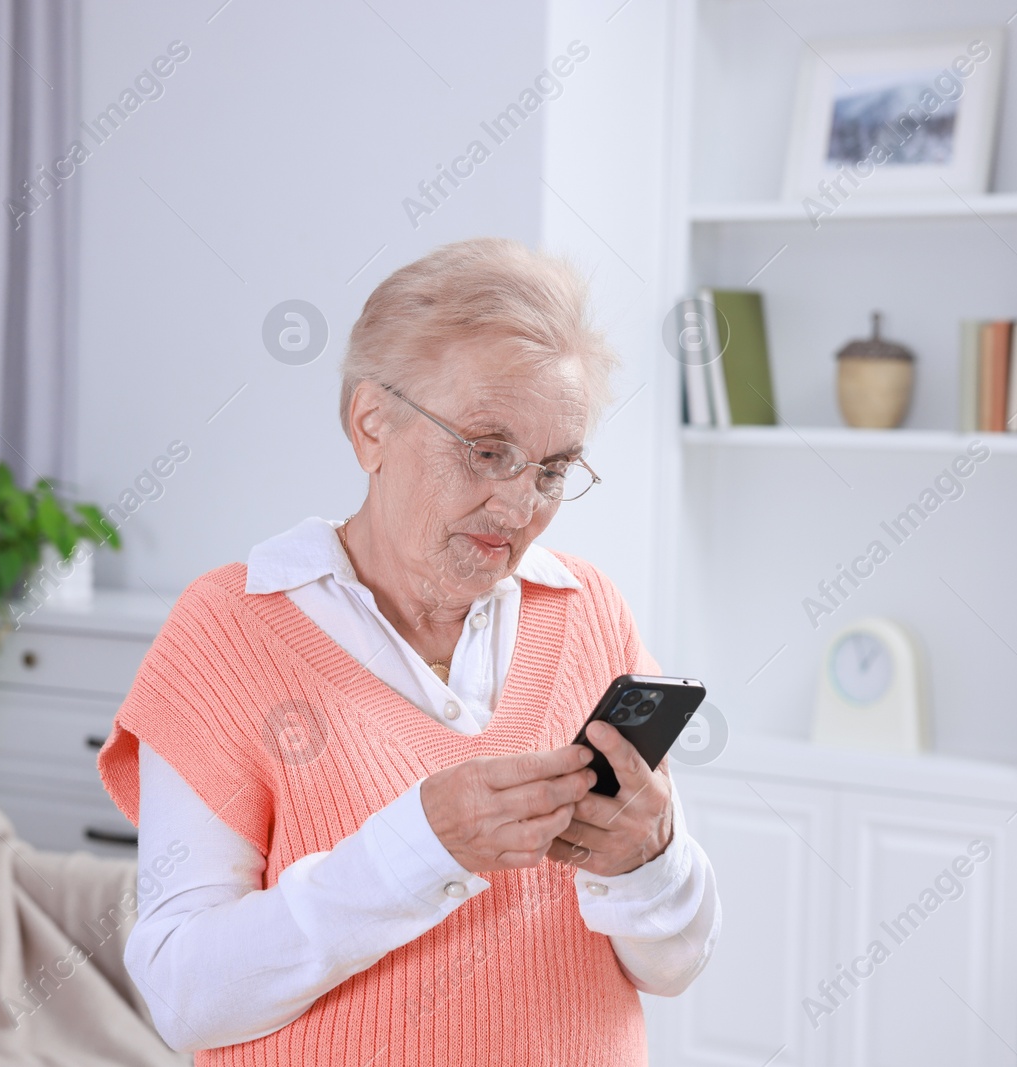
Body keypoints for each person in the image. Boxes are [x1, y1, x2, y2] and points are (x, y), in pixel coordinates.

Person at [98, 237, 721, 1065]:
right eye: (487, 448)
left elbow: (673, 964)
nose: (520, 502)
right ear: (371, 425)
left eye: (553, 467)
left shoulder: (588, 609)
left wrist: (652, 862)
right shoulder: (230, 628)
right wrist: (419, 849)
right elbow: (184, 997)